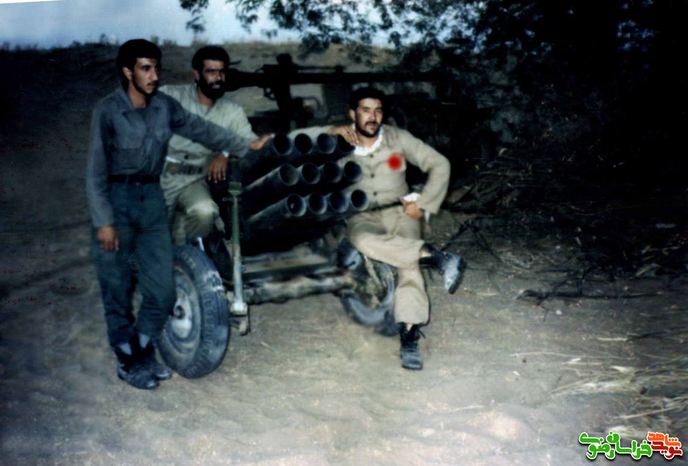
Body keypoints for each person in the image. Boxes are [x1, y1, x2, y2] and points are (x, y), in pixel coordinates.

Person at [86, 39, 256, 389]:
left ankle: (143, 345)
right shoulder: (108, 110)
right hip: (117, 199)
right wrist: (104, 221)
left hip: (152, 195)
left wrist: (249, 145)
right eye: (145, 69)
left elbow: (205, 131)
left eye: (156, 68)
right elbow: (95, 171)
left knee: (162, 289)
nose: (154, 75)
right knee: (117, 286)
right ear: (128, 72)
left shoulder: (165, 106)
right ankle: (129, 358)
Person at [295, 87, 463, 370]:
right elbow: (297, 143)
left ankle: (409, 335)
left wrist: (423, 203)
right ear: (352, 113)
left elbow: (440, 163)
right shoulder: (338, 139)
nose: (372, 117)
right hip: (363, 215)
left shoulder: (398, 138)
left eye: (378, 111)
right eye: (365, 110)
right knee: (361, 239)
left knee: (408, 267)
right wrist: (330, 132)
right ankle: (433, 255)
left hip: (401, 212)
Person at [159, 46, 271, 245]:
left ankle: (193, 254)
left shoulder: (232, 112)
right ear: (197, 74)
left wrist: (225, 153)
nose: (218, 78)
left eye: (221, 72)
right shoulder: (171, 96)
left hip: (194, 181)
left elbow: (251, 144)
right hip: (159, 177)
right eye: (211, 72)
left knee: (205, 212)